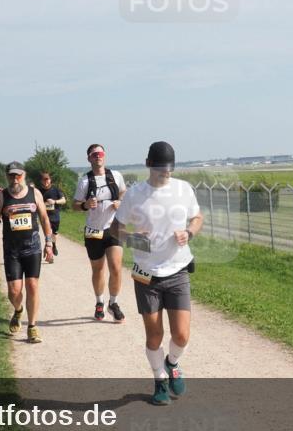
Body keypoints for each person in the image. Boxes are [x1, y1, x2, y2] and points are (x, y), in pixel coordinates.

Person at [114, 141, 203, 406]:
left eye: (169, 168)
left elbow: (197, 218)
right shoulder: (134, 194)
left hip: (177, 270)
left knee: (181, 335)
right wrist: (130, 238)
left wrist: (189, 233)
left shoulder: (183, 190)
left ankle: (172, 362)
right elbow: (114, 230)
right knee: (154, 335)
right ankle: (159, 380)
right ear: (148, 164)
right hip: (147, 274)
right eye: (161, 167)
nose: (166, 172)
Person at [0, 162, 55, 343]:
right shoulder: (2, 196)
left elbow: (44, 219)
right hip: (12, 250)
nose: (14, 178)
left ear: (23, 175)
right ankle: (18, 310)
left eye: (18, 175)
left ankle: (32, 327)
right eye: (11, 175)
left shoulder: (35, 194)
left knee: (32, 286)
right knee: (14, 291)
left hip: (32, 248)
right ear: (7, 176)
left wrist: (49, 243)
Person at [73, 144, 126, 323]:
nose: (98, 156)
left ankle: (114, 302)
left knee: (116, 267)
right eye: (94, 154)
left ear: (105, 156)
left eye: (101, 153)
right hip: (94, 231)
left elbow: (124, 192)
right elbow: (75, 204)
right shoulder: (85, 181)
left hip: (114, 228)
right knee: (98, 269)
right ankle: (99, 302)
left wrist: (120, 201)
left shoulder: (116, 176)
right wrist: (85, 205)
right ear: (89, 158)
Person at [38, 172, 66, 258]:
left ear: (50, 180)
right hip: (44, 217)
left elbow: (64, 200)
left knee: (54, 234)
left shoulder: (56, 190)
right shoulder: (38, 191)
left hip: (55, 216)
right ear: (41, 181)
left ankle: (53, 244)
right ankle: (48, 247)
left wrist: (55, 201)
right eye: (44, 180)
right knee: (48, 232)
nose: (46, 181)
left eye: (47, 179)